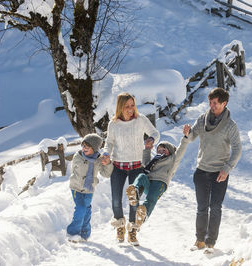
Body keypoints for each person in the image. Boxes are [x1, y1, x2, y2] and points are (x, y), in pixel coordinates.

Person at [184, 87, 242, 254]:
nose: (212, 105)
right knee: (202, 207)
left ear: (224, 103)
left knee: (215, 207)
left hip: (219, 172)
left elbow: (237, 149)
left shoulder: (230, 126)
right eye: (210, 102)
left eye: (215, 103)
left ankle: (210, 243)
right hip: (202, 170)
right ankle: (200, 240)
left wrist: (227, 168)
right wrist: (187, 133)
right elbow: (192, 136)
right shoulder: (202, 120)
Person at [103, 92, 159, 246]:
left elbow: (154, 132)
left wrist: (151, 139)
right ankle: (120, 227)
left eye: (132, 105)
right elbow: (109, 142)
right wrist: (106, 153)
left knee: (134, 200)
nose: (130, 109)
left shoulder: (140, 120)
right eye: (126, 106)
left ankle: (132, 231)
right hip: (118, 167)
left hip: (136, 166)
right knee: (116, 200)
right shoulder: (113, 124)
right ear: (120, 107)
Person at [125, 125, 190, 238]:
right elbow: (145, 163)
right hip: (148, 182)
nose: (160, 151)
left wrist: (185, 137)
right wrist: (147, 149)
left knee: (151, 199)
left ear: (169, 152)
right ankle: (134, 192)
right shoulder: (154, 161)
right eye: (159, 150)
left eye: (163, 150)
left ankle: (142, 215)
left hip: (160, 183)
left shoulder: (172, 160)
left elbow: (181, 150)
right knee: (141, 176)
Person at [67, 133, 113, 243]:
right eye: (82, 146)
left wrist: (108, 163)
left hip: (89, 190)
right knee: (81, 208)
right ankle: (73, 233)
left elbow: (106, 174)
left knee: (87, 210)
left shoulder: (99, 160)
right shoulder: (77, 156)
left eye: (87, 147)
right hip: (76, 188)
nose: (84, 148)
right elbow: (73, 169)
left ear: (94, 148)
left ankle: (84, 234)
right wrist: (75, 179)